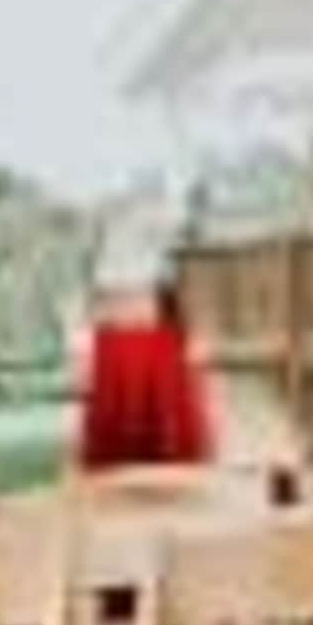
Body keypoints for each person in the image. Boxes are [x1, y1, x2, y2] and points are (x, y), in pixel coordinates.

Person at [74, 183, 210, 471]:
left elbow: (188, 230)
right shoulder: (127, 214)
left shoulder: (129, 214)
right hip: (127, 303)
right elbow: (188, 229)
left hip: (132, 302)